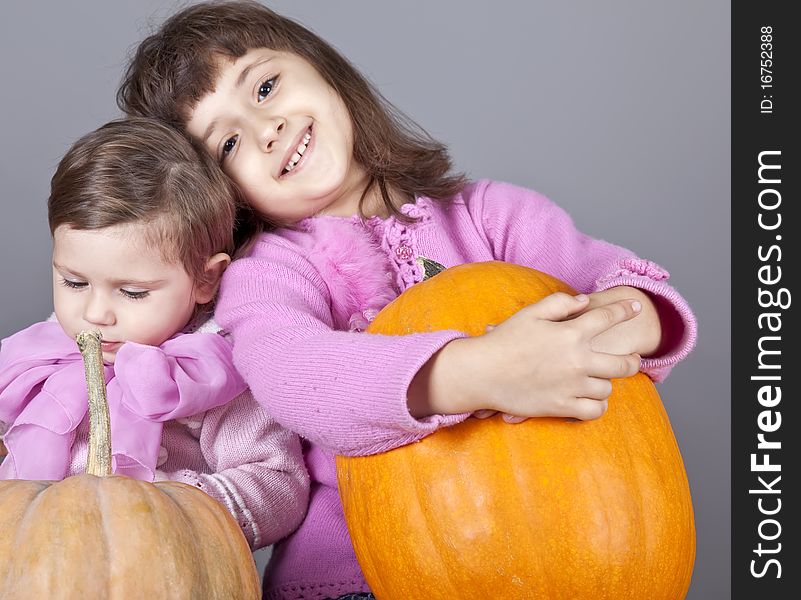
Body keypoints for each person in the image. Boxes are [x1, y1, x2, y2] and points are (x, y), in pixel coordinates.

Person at [117, 2, 698, 598]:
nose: (267, 130)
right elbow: (293, 374)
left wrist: (601, 335)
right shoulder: (269, 276)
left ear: (324, 70)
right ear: (223, 192)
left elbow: (627, 289)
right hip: (359, 576)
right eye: (229, 143)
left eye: (265, 87)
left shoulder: (491, 216)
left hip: (569, 543)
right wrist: (479, 372)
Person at [0, 117, 309, 552]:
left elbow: (278, 484)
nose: (94, 313)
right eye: (73, 282)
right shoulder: (36, 355)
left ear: (205, 279)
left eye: (131, 292)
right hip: (32, 563)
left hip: (152, 566)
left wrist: (174, 504)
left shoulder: (210, 374)